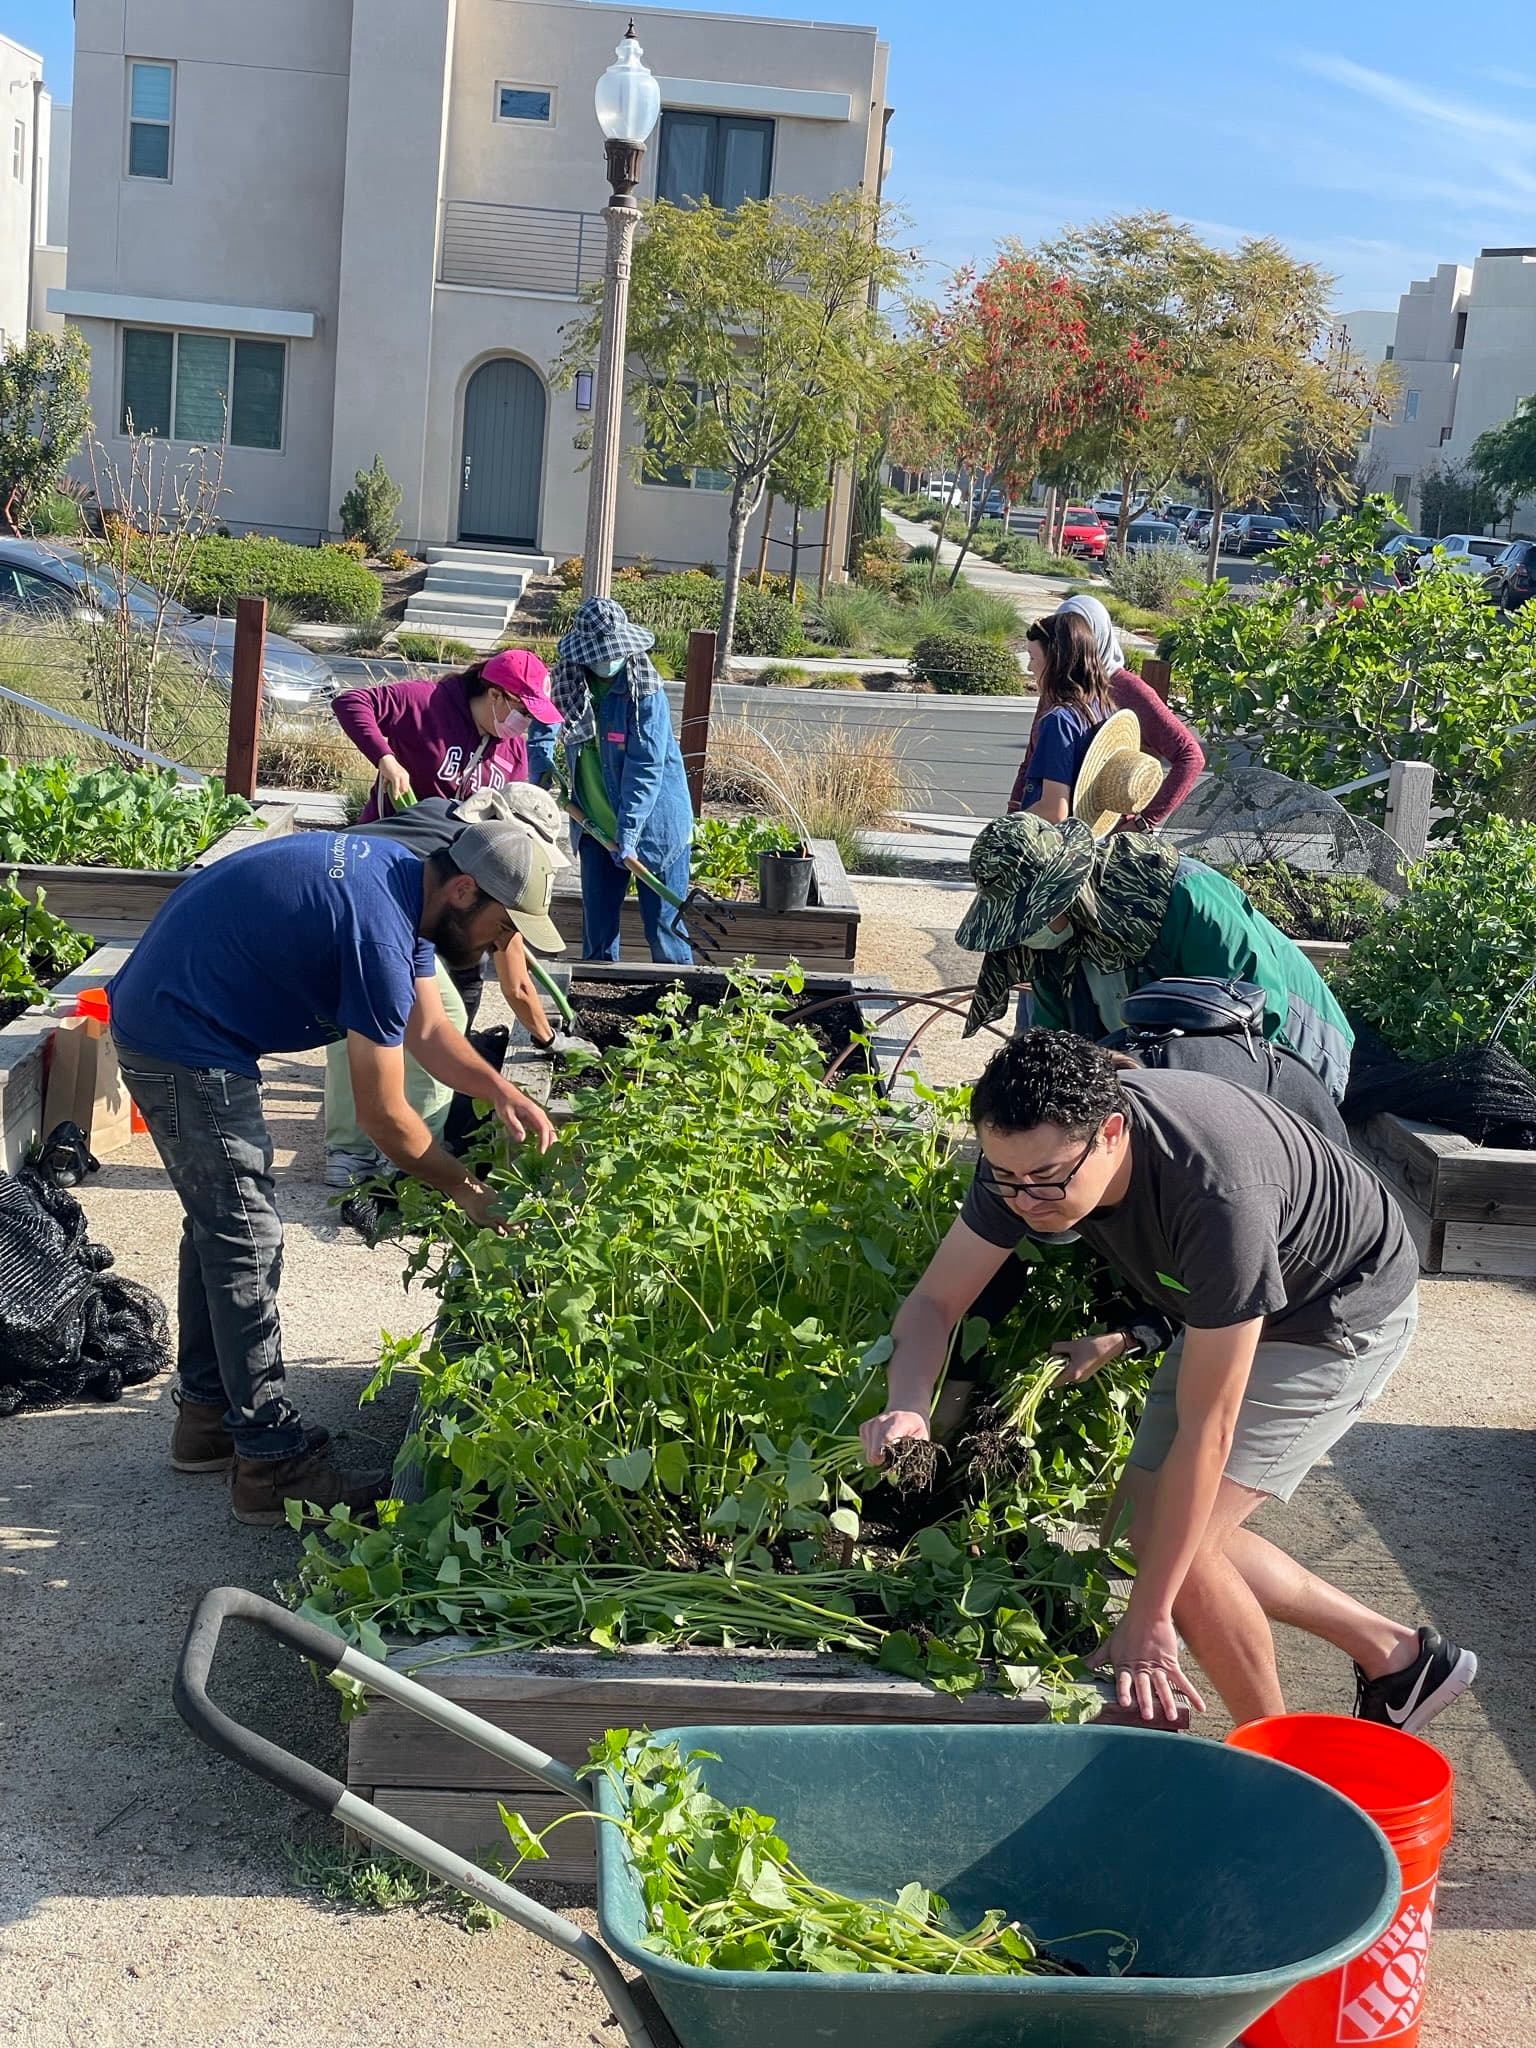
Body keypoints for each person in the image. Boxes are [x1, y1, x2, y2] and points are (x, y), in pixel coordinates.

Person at [861, 1028, 1476, 1733]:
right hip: (1222, 1302)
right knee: (1144, 1526)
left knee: (1179, 1557)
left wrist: (1149, 1617)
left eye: (1047, 1180)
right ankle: (1398, 1656)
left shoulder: (1216, 1195)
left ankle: (1276, 1767)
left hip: (1334, 1309)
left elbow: (1206, 1431)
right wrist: (908, 1407)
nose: (1024, 1200)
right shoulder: (1024, 1159)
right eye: (1006, 1178)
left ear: (1112, 1132)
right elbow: (936, 1303)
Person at [109, 819, 561, 1525]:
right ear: (466, 891)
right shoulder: (379, 930)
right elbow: (384, 1116)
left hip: (182, 1012)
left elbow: (432, 1033)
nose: (502, 945)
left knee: (221, 1224)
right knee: (246, 1236)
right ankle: (268, 1463)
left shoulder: (405, 887)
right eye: (502, 927)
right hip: (181, 1034)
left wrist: (501, 1090)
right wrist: (466, 1190)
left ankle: (207, 1419)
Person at [957, 811, 1355, 1100]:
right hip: (1167, 1073)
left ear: (1067, 891)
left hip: (1287, 1056)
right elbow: (1056, 1040)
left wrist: (1144, 1083)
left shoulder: (1186, 899)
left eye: (1031, 918)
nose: (1027, 934)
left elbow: (1250, 1016)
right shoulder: (1053, 946)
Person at [322, 786, 582, 1189]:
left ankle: (355, 1151)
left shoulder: (443, 816)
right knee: (403, 1019)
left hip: (343, 890)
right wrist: (549, 1040)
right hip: (362, 913)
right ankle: (408, 1160)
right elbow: (516, 986)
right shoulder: (497, 867)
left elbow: (431, 1023)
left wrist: (498, 1087)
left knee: (377, 1020)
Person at [550, 595, 695, 965]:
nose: (605, 659)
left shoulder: (644, 693)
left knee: (663, 926)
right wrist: (539, 763)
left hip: (653, 827)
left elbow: (645, 767)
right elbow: (545, 722)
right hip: (595, 825)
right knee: (597, 931)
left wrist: (628, 834)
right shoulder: (569, 681)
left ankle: (680, 1002)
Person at [1031, 594, 1206, 830]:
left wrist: (1143, 823)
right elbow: (1031, 758)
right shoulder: (1057, 688)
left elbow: (1190, 756)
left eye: (1077, 635)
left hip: (1102, 832)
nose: (1069, 645)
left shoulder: (1128, 689)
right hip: (1044, 828)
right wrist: (1011, 823)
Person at [332, 647, 562, 821]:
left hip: (452, 876)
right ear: (495, 695)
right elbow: (351, 703)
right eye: (524, 711)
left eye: (532, 716)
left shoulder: (515, 752)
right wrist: (386, 759)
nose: (527, 722)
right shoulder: (425, 702)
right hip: (388, 848)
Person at [1008, 609, 1116, 821]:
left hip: (1055, 845)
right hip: (1089, 839)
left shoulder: (1059, 721)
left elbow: (1054, 809)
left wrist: (1005, 827)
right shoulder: (1104, 708)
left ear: (1056, 662)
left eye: (1032, 657)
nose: (1030, 667)